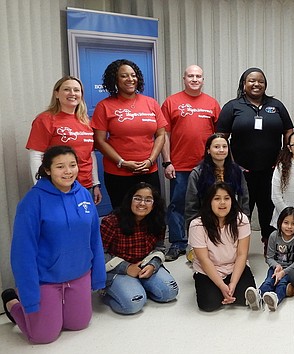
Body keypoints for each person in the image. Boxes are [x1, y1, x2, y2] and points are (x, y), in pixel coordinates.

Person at [2, 146, 105, 344]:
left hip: (78, 274)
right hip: (46, 279)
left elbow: (94, 239)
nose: (68, 171)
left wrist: (98, 276)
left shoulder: (83, 195)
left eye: (72, 165)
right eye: (60, 166)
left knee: (79, 324)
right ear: (47, 170)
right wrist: (29, 294)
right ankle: (13, 302)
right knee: (43, 336)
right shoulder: (32, 201)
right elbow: (23, 253)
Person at [218, 68, 294, 247]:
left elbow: (288, 129)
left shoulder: (276, 105)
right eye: (251, 81)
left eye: (260, 81)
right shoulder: (233, 106)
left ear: (265, 84)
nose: (256, 84)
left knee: (268, 207)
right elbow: (221, 135)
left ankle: (269, 243)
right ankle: (237, 246)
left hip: (271, 169)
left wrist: (284, 152)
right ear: (243, 84)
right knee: (242, 210)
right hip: (241, 170)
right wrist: (231, 162)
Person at [161, 65, 221, 261]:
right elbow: (164, 135)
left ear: (203, 80)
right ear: (184, 78)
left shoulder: (212, 103)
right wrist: (167, 162)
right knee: (178, 204)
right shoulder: (171, 102)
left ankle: (205, 241)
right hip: (180, 165)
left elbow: (219, 137)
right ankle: (178, 243)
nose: (195, 79)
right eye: (191, 76)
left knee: (207, 203)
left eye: (198, 76)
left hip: (207, 166)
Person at [92, 59, 167, 208]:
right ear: (115, 79)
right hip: (118, 174)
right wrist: (122, 162)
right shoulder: (104, 106)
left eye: (133, 75)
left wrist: (151, 160)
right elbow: (99, 141)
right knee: (123, 217)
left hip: (149, 171)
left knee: (151, 215)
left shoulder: (151, 103)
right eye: (124, 76)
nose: (130, 79)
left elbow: (160, 134)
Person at [100, 183, 178, 315]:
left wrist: (153, 265)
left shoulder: (157, 221)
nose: (142, 203)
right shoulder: (111, 221)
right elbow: (99, 254)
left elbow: (160, 248)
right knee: (133, 304)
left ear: (154, 204)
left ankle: (138, 286)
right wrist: (127, 268)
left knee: (170, 292)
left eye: (148, 200)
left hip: (144, 265)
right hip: (118, 270)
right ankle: (109, 293)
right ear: (130, 199)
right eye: (137, 198)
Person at [26, 76, 102, 204]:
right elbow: (36, 155)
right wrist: (42, 186)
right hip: (57, 187)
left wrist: (96, 183)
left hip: (85, 186)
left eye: (76, 90)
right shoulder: (45, 119)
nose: (72, 93)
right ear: (57, 93)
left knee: (84, 222)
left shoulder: (85, 121)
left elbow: (90, 154)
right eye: (67, 89)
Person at [188, 182, 261, 312]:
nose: (222, 203)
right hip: (209, 269)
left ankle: (230, 287)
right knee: (209, 304)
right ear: (209, 202)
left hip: (234, 267)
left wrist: (232, 284)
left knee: (245, 298)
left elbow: (242, 255)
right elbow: (204, 260)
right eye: (217, 199)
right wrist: (222, 286)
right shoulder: (197, 225)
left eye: (227, 198)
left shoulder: (241, 219)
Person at [184, 133, 250, 233]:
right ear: (208, 150)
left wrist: (244, 222)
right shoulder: (198, 173)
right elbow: (191, 205)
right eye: (216, 147)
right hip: (206, 225)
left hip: (232, 223)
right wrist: (194, 230)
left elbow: (244, 199)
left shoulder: (237, 171)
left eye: (224, 146)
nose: (221, 150)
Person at [259, 207, 294, 311]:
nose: (289, 227)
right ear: (280, 223)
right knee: (269, 281)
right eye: (286, 222)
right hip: (276, 268)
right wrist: (277, 266)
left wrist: (283, 272)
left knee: (282, 284)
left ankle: (275, 299)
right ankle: (258, 295)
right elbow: (269, 257)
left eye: (293, 223)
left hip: (291, 270)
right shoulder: (274, 236)